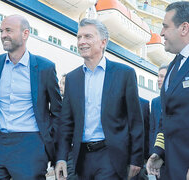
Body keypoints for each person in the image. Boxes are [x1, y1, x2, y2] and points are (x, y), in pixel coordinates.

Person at [55, 18, 144, 180]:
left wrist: (136, 158)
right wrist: (61, 157)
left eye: (87, 37)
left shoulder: (124, 74)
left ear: (103, 42)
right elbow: (66, 123)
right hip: (80, 158)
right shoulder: (73, 78)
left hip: (111, 155)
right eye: (79, 37)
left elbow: (135, 121)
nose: (81, 42)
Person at [0, 14, 62, 179]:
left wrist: (44, 144)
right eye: (1, 31)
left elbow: (57, 111)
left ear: (25, 34)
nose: (3, 34)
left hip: (30, 143)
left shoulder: (45, 68)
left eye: (9, 30)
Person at [146, 1, 189, 179]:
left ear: (184, 28)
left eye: (165, 26)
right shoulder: (173, 66)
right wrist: (158, 152)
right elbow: (167, 118)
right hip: (170, 167)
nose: (161, 33)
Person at [149, 65, 168, 155]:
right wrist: (151, 152)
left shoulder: (178, 99)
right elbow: (152, 129)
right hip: (156, 152)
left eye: (162, 76)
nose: (158, 79)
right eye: (158, 76)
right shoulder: (155, 102)